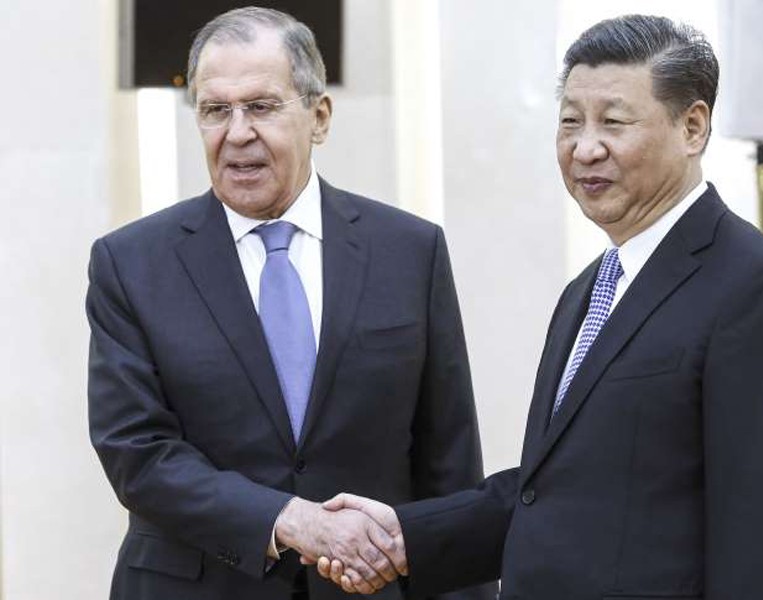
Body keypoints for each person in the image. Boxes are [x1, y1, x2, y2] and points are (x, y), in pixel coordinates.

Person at [311, 14, 763, 600]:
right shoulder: (588, 290)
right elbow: (554, 492)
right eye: (570, 122)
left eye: (614, 123)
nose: (585, 147)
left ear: (693, 127)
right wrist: (401, 536)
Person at [86, 7, 495, 600]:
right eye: (215, 110)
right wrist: (288, 520)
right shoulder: (130, 263)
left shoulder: (410, 250)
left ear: (319, 115)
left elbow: (449, 463)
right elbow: (137, 453)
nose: (237, 132)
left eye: (261, 106)